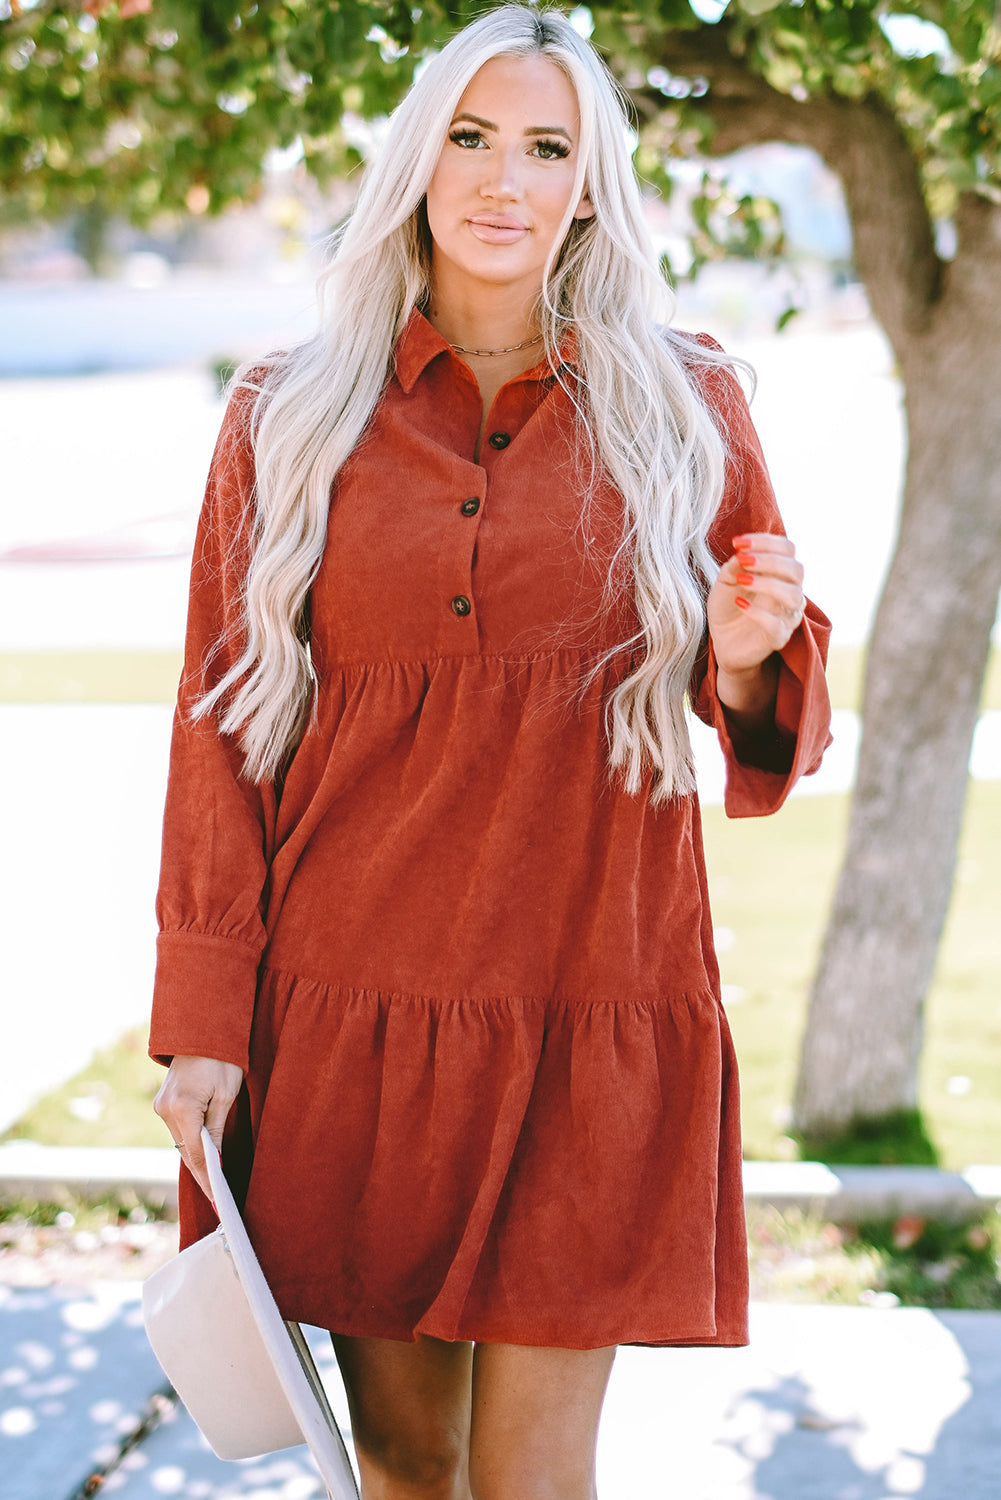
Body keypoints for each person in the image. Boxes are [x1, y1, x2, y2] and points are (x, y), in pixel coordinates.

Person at [150, 6, 832, 1497]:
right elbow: (221, 729)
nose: (502, 180)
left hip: (591, 1004)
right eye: (470, 137)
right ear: (417, 158)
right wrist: (202, 1016)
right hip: (353, 1019)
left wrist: (741, 654)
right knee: (402, 1468)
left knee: (535, 1479)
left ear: (591, 183)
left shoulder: (687, 402)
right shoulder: (285, 415)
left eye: (545, 147)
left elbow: (768, 703)